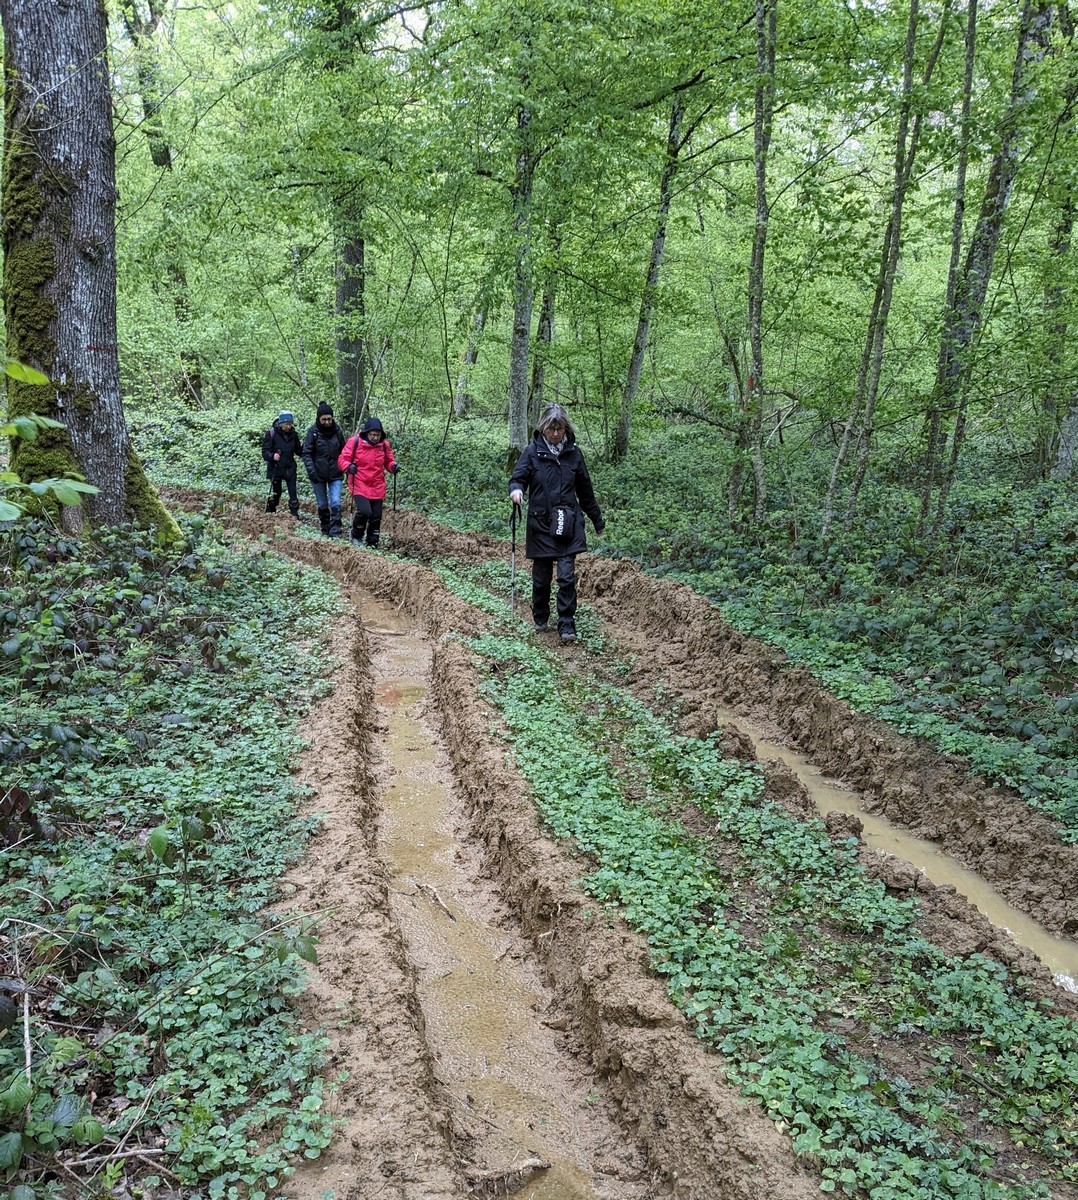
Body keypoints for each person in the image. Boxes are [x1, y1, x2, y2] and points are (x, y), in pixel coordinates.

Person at [509, 403, 605, 643]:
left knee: (566, 576)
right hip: (541, 523)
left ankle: (566, 623)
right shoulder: (532, 451)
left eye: (559, 429)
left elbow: (585, 491)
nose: (555, 433)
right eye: (551, 429)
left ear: (566, 429)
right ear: (543, 428)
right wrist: (517, 490)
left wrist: (597, 520)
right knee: (541, 579)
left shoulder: (574, 454)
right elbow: (518, 478)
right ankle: (541, 616)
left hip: (568, 522)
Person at [338, 416, 399, 547]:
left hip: (377, 484)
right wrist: (349, 467)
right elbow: (342, 459)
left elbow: (389, 461)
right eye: (373, 435)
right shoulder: (355, 442)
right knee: (365, 511)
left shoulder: (384, 445)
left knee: (376, 516)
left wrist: (393, 467)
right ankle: (356, 536)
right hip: (359, 482)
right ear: (367, 433)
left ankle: (372, 542)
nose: (375, 438)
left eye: (378, 435)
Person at [302, 401, 347, 537]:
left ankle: (336, 531)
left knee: (336, 502)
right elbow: (306, 453)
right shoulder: (313, 432)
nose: (327, 422)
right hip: (317, 474)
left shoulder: (337, 431)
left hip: (335, 472)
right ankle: (325, 529)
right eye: (324, 419)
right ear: (319, 418)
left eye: (329, 419)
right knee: (322, 504)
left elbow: (344, 451)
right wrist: (312, 472)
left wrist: (344, 466)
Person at [262, 410, 301, 517]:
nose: (288, 426)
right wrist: (272, 456)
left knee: (293, 494)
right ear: (280, 423)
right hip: (276, 468)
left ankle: (294, 515)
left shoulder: (294, 435)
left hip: (290, 468)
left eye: (290, 424)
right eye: (286, 424)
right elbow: (265, 452)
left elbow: (299, 450)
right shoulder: (271, 434)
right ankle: (270, 513)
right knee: (276, 493)